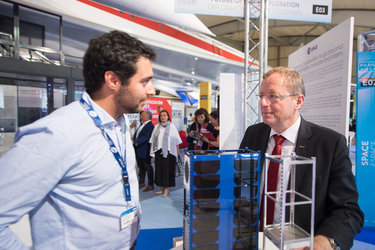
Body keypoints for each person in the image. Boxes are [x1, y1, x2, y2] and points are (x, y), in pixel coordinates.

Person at [0, 30, 156, 249]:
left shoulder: (119, 124)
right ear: (112, 80)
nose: (152, 89)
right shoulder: (58, 134)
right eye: (145, 81)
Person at [239, 66, 364, 250]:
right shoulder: (254, 134)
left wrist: (324, 241)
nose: (264, 103)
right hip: (249, 240)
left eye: (273, 96)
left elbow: (348, 210)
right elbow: (239, 183)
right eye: (261, 96)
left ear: (298, 100)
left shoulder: (329, 144)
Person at [149, 110, 182, 197]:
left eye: (165, 115)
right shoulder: (156, 127)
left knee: (168, 171)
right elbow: (152, 140)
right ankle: (160, 187)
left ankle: (167, 189)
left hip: (169, 152)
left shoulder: (172, 127)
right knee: (159, 170)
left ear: (168, 117)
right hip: (158, 151)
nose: (163, 117)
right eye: (161, 116)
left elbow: (177, 141)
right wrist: (152, 151)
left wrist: (177, 152)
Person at [133, 110, 155, 192]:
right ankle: (141, 182)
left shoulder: (150, 126)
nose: (140, 117)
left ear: (147, 116)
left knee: (148, 167)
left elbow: (146, 137)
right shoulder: (142, 125)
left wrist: (135, 142)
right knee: (141, 167)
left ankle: (150, 184)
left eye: (141, 115)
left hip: (145, 150)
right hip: (139, 150)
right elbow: (138, 135)